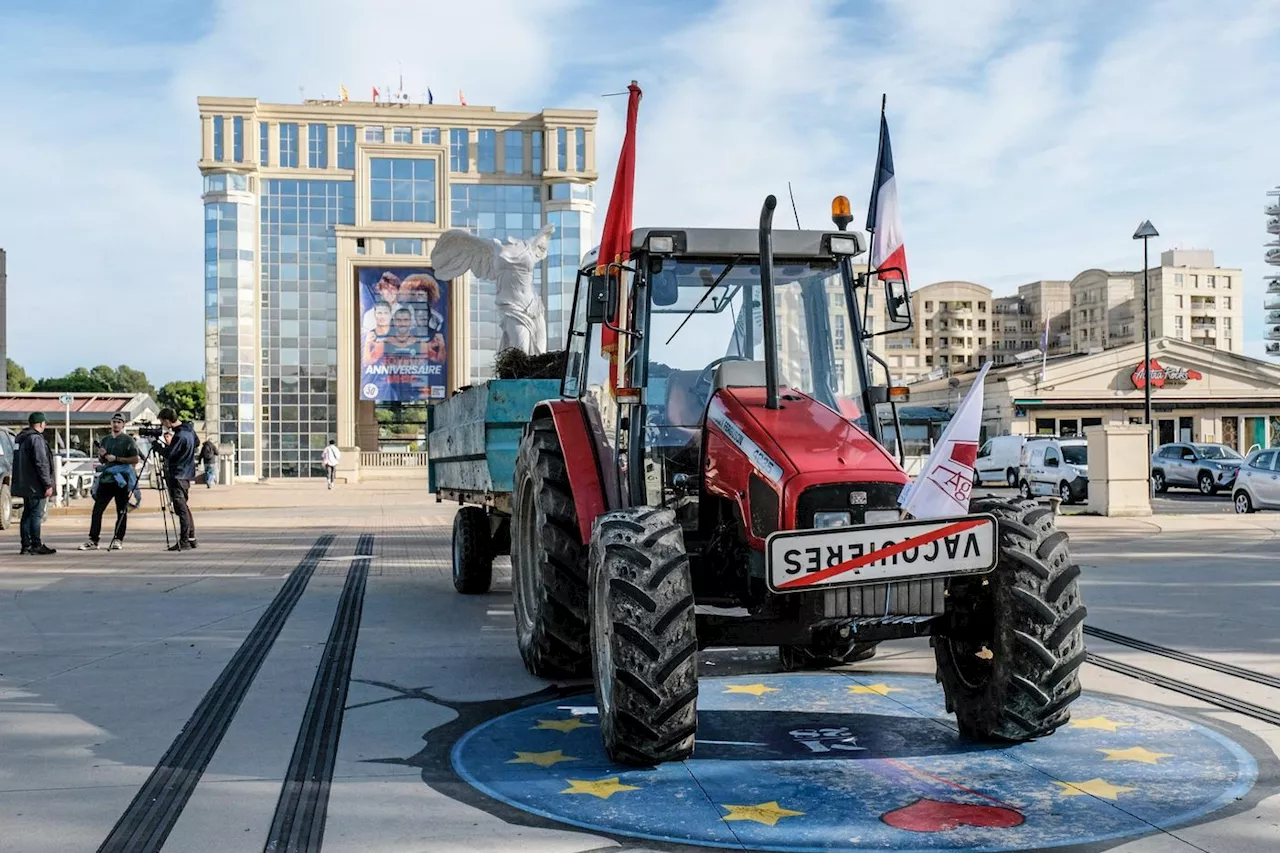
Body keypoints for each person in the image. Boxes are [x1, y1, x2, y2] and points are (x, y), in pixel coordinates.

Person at [79, 413, 140, 551]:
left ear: (123, 424)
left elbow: (135, 459)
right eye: (114, 421)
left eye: (119, 422)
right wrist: (102, 456)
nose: (116, 424)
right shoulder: (105, 440)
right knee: (97, 510)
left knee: (121, 510)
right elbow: (103, 461)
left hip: (121, 480)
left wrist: (117, 458)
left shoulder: (128, 440)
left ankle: (118, 538)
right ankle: (93, 539)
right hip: (106, 479)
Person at [152, 407, 199, 551]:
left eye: (162, 422)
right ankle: (191, 538)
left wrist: (157, 446)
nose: (163, 425)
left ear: (167, 421)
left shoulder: (179, 435)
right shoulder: (189, 429)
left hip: (177, 474)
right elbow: (196, 443)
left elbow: (170, 454)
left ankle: (184, 540)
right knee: (184, 506)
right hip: (187, 473)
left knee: (181, 509)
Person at [13, 412, 56, 555]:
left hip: (24, 483)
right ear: (41, 423)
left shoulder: (20, 439)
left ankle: (25, 545)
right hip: (35, 484)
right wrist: (47, 484)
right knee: (36, 514)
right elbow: (41, 462)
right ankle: (36, 544)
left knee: (26, 514)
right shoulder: (36, 439)